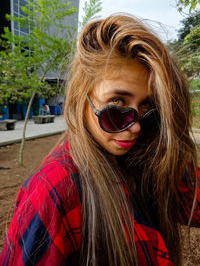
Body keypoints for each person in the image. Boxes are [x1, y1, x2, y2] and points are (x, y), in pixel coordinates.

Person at [0, 14, 200, 266]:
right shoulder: (55, 191)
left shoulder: (139, 161)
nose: (136, 126)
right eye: (116, 104)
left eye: (147, 108)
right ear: (81, 99)